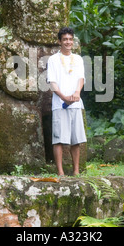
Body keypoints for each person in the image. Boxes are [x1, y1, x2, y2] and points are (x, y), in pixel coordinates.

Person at [47, 27, 87, 176]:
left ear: (73, 41)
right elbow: (52, 82)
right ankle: (61, 172)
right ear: (59, 41)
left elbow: (81, 79)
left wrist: (76, 93)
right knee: (58, 139)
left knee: (76, 139)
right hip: (59, 104)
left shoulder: (78, 59)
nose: (68, 42)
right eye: (65, 39)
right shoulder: (53, 59)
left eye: (70, 39)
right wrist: (63, 97)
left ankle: (76, 171)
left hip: (76, 103)